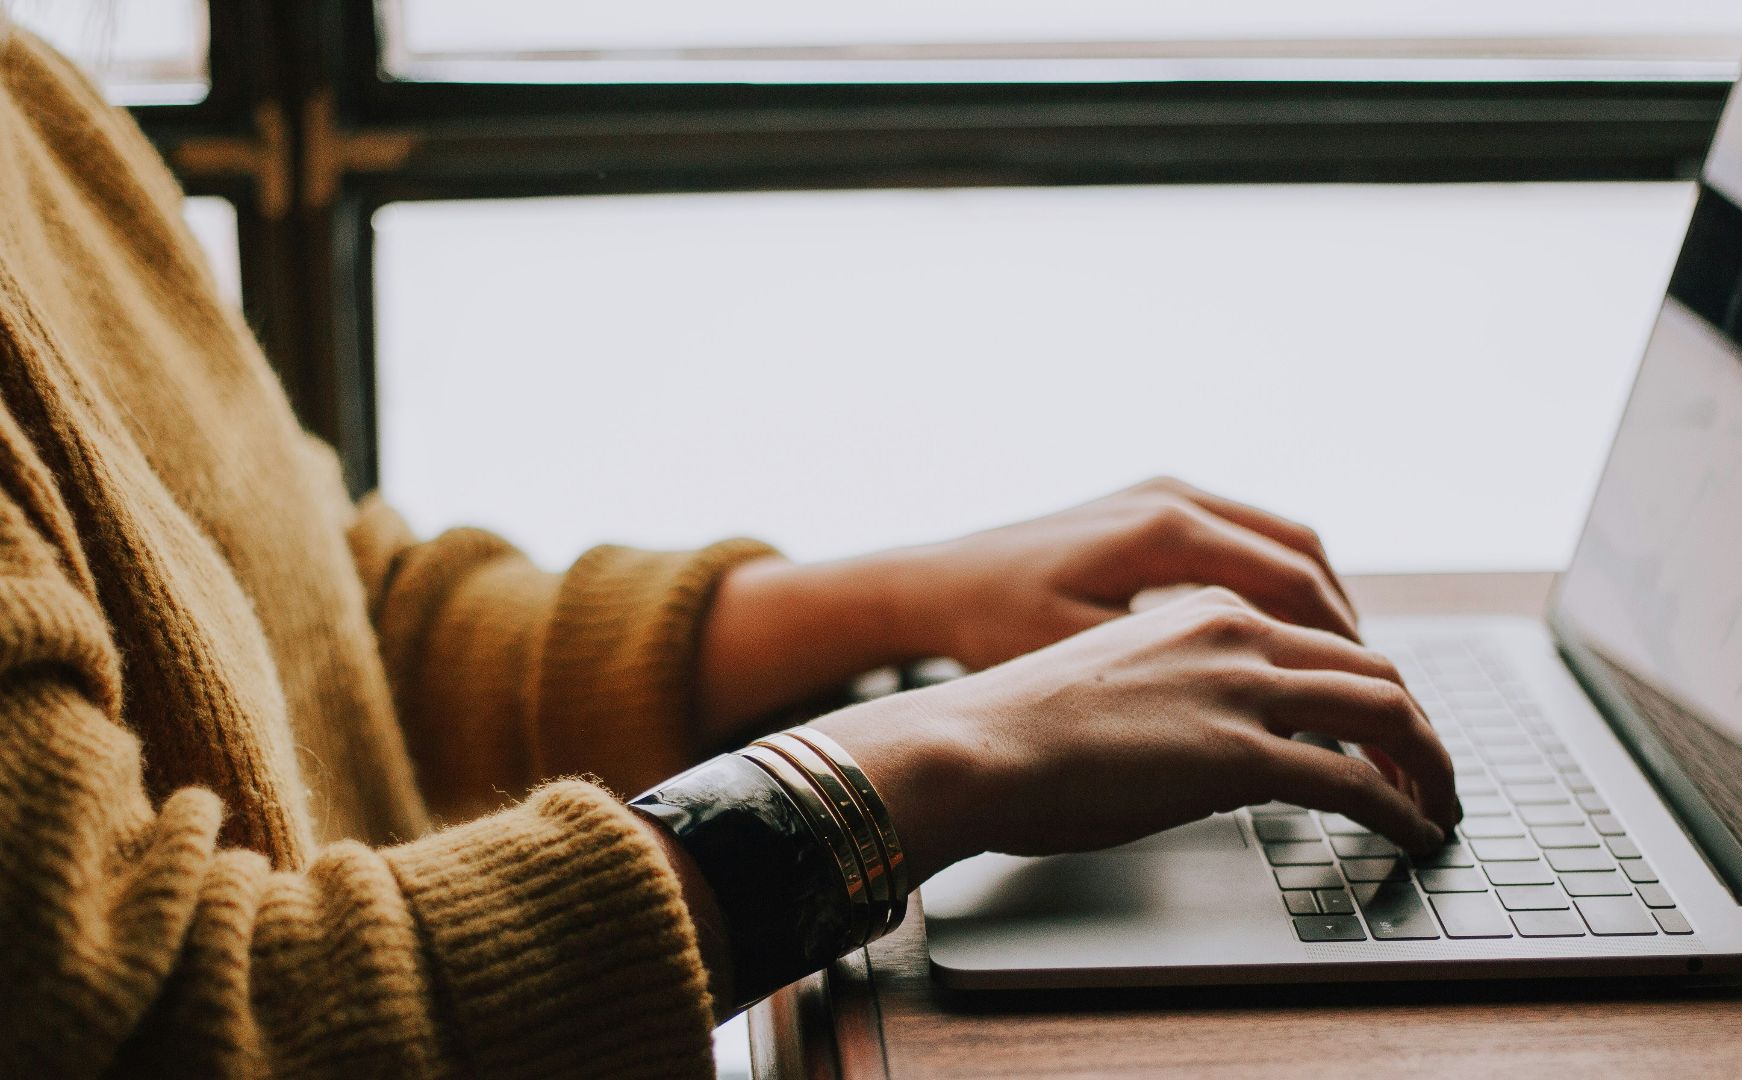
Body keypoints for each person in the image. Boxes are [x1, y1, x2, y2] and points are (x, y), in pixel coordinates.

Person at [0, 22, 1459, 1080]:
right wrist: (928, 761)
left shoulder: (28, 96)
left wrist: (912, 598)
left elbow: (344, 625)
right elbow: (172, 1027)